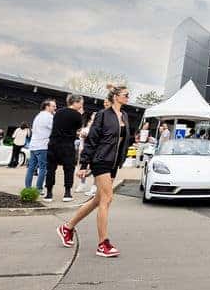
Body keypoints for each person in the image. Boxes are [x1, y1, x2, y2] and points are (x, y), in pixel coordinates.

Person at [58, 84, 131, 258]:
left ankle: (67, 227)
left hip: (113, 163)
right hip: (101, 160)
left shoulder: (124, 115)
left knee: (97, 200)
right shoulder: (103, 115)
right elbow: (92, 140)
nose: (128, 97)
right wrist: (84, 164)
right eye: (126, 94)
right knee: (107, 198)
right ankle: (103, 244)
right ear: (116, 96)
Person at [46, 95, 85, 202]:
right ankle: (67, 193)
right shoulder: (77, 115)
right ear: (75, 102)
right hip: (67, 145)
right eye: (81, 103)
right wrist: (80, 115)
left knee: (51, 169)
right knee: (68, 169)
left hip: (53, 144)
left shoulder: (58, 112)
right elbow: (78, 127)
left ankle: (49, 194)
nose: (81, 105)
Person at [24, 100, 55, 190]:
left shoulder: (38, 116)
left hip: (33, 145)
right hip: (42, 145)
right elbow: (54, 128)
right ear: (47, 106)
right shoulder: (49, 117)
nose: (55, 108)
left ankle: (28, 187)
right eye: (53, 106)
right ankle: (39, 188)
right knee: (42, 168)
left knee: (31, 167)